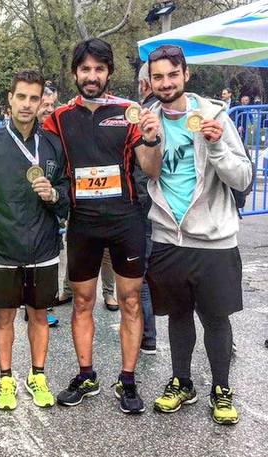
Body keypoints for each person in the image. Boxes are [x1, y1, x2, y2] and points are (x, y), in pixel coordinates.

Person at [43, 38, 162, 414]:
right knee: (82, 302)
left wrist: (152, 139)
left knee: (130, 301)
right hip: (83, 223)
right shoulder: (59, 117)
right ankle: (86, 375)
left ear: (109, 72)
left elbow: (151, 169)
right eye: (85, 69)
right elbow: (34, 144)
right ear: (75, 73)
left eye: (99, 69)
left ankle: (127, 380)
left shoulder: (129, 112)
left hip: (126, 220)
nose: (91, 76)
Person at [144, 44, 252, 425]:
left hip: (214, 239)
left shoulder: (214, 116)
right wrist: (149, 140)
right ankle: (182, 382)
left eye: (172, 74)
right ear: (150, 81)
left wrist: (217, 145)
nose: (165, 83)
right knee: (177, 317)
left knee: (216, 318)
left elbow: (243, 177)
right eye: (158, 76)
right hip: (168, 237)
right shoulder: (148, 120)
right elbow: (149, 174)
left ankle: (221, 388)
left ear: (186, 74)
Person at [0, 70, 69, 411]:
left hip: (43, 247)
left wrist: (54, 195)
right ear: (10, 99)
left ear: (41, 101)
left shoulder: (53, 144)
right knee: (3, 317)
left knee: (39, 315)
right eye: (22, 97)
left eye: (34, 98)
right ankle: (6, 378)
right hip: (1, 246)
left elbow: (67, 194)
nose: (27, 105)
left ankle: (38, 375)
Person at [135, 61, 159, 355]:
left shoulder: (143, 117)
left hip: (146, 207)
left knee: (140, 276)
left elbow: (142, 170)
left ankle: (147, 336)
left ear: (143, 85)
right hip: (174, 210)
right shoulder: (181, 113)